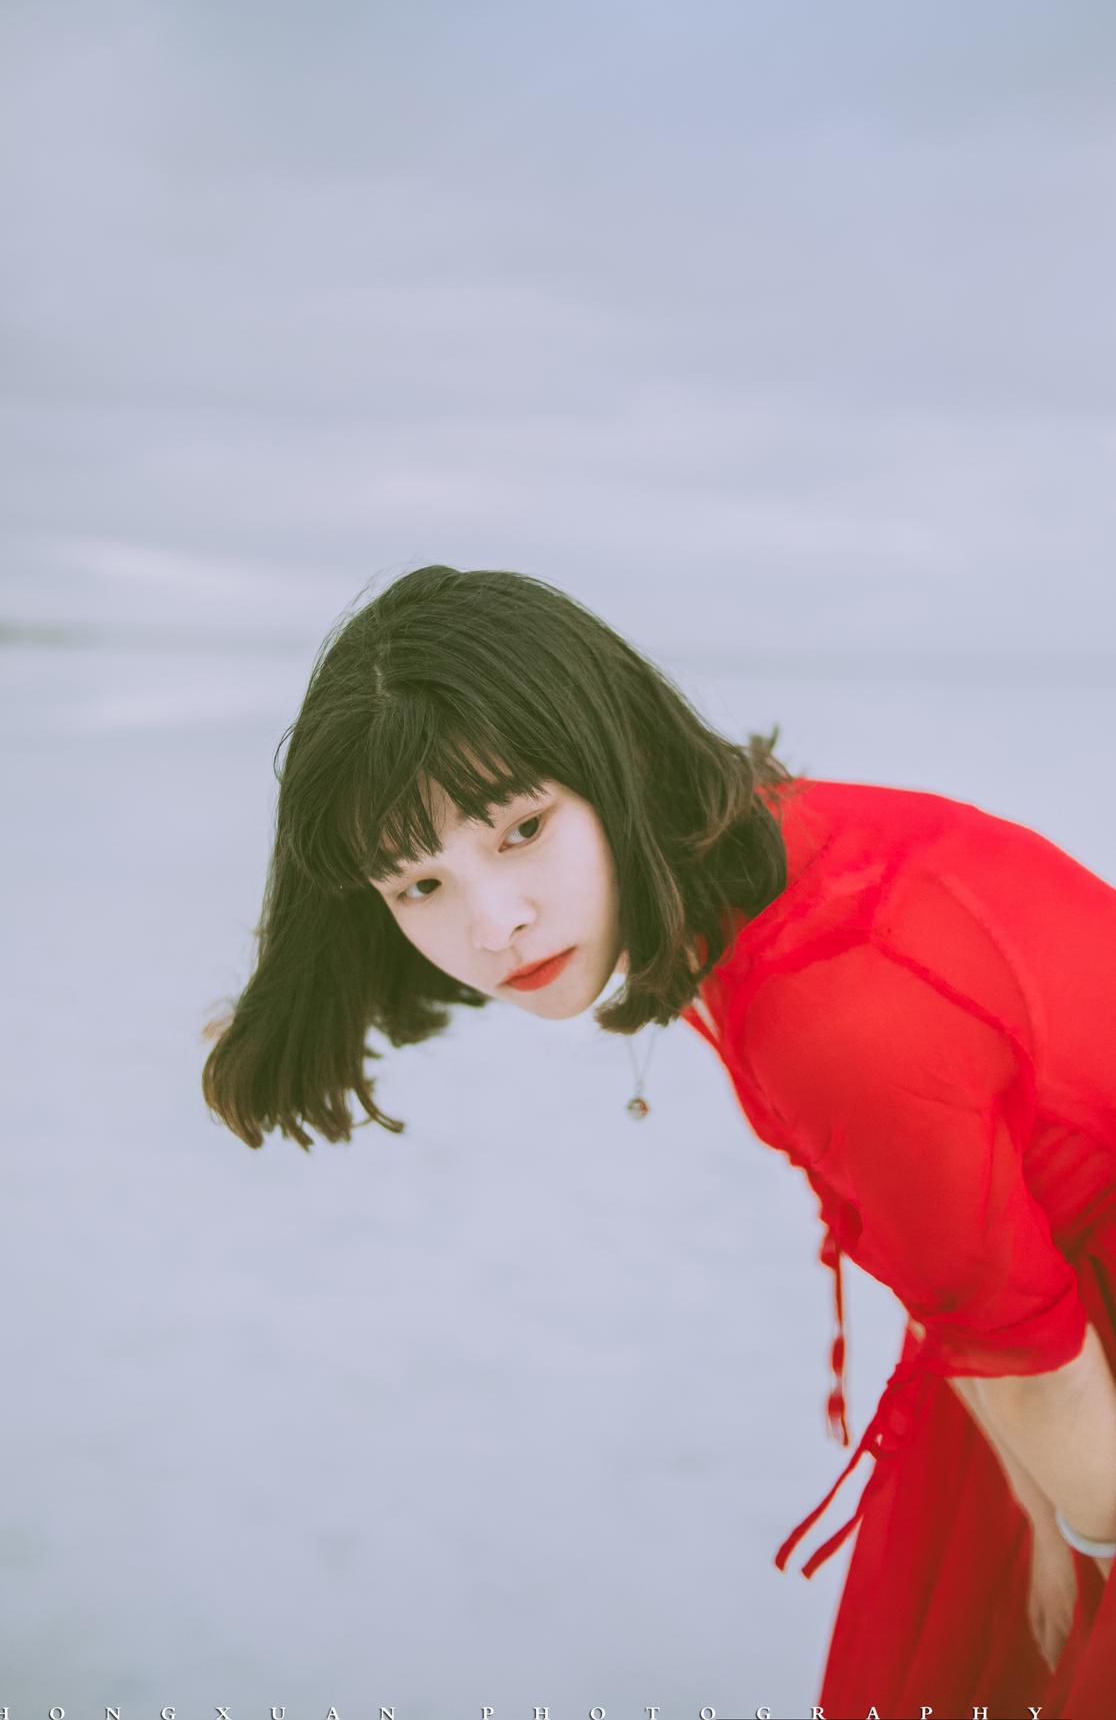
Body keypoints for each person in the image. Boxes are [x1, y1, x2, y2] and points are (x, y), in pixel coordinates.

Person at [203, 562, 1116, 1716]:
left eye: (521, 828)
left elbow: (1029, 1353)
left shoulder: (831, 995)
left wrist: (1088, 1550)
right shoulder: (771, 848)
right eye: (418, 885)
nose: (494, 926)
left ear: (615, 753)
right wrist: (1034, 1495)